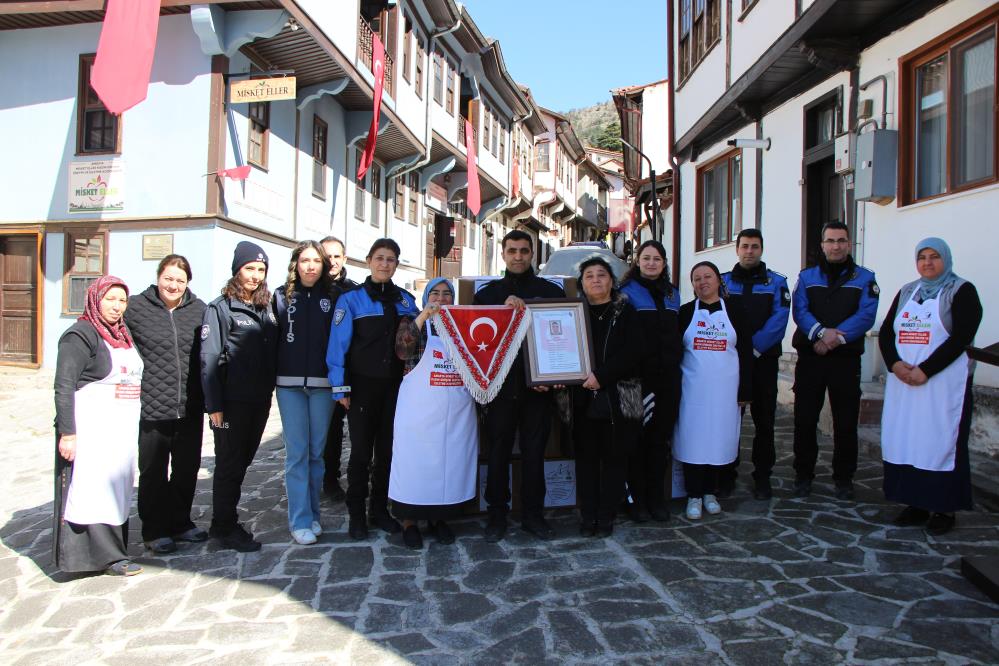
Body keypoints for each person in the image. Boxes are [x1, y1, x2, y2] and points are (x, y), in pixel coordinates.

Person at [879, 238, 982, 535]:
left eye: (934, 256)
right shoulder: (908, 291)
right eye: (922, 257)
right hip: (904, 384)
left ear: (946, 259)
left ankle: (943, 508)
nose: (927, 262)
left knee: (940, 442)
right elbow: (887, 332)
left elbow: (961, 336)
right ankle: (915, 503)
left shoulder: (962, 291)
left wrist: (926, 370)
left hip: (942, 386)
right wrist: (895, 365)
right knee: (909, 441)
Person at [473, 229, 565, 542]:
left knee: (534, 452)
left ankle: (533, 515)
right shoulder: (487, 295)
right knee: (497, 451)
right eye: (512, 250)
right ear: (503, 253)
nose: (518, 256)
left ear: (532, 254)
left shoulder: (550, 291)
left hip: (537, 389)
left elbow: (559, 340)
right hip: (499, 389)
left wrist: (550, 378)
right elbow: (477, 343)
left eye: (524, 251)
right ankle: (496, 515)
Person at [326, 238, 419, 540]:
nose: (384, 264)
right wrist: (340, 389)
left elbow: (421, 339)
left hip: (396, 389)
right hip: (362, 387)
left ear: (396, 264)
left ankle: (379, 510)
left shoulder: (405, 301)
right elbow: (337, 347)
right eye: (379, 258)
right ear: (368, 261)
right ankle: (357, 515)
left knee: (388, 453)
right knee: (361, 453)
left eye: (391, 259)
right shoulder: (351, 300)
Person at [53, 276, 144, 576]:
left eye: (122, 301)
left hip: (120, 431)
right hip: (93, 430)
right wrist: (68, 432)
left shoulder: (121, 333)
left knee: (116, 490)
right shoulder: (80, 336)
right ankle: (105, 558)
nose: (117, 307)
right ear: (95, 299)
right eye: (110, 299)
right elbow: (64, 385)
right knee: (93, 492)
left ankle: (115, 551)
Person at [125, 255, 208, 555]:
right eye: (168, 278)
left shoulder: (199, 310)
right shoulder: (135, 308)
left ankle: (180, 523)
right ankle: (154, 529)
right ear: (158, 277)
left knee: (187, 468)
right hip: (151, 406)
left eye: (180, 280)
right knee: (153, 471)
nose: (173, 285)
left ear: (188, 282)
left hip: (189, 406)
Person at [791, 221, 878, 500]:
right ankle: (803, 475)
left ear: (849, 244)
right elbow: (800, 310)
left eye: (841, 240)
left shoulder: (865, 278)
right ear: (822, 245)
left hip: (845, 359)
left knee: (845, 421)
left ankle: (844, 478)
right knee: (804, 420)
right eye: (830, 241)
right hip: (811, 357)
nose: (836, 246)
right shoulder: (807, 277)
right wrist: (819, 333)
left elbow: (866, 315)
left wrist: (834, 339)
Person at [389, 278, 477, 549]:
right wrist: (425, 314)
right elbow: (402, 349)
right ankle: (409, 522)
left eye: (447, 294)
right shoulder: (412, 321)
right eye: (435, 293)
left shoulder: (462, 326)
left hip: (455, 411)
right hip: (419, 411)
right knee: (415, 466)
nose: (441, 298)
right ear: (426, 296)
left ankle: (439, 519)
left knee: (448, 466)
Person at [201, 241, 277, 552]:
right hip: (231, 404)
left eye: (261, 270)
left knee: (242, 462)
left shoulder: (265, 308)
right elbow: (208, 359)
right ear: (237, 270)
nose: (255, 275)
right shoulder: (220, 308)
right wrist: (214, 405)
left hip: (258, 401)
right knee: (229, 464)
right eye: (250, 268)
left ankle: (224, 520)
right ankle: (223, 527)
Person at [674, 262, 753, 520]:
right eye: (696, 278)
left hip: (725, 392)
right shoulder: (685, 313)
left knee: (718, 441)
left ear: (719, 280)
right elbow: (676, 353)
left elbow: (745, 353)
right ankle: (693, 496)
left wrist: (745, 390)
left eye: (707, 276)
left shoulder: (737, 311)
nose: (702, 282)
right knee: (693, 441)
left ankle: (711, 492)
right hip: (693, 392)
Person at [571, 258, 643, 537]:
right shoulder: (572, 314)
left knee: (615, 459)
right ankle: (588, 516)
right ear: (582, 284)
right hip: (581, 398)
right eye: (589, 276)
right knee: (586, 460)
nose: (596, 280)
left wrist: (602, 375)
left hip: (618, 398)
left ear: (612, 282)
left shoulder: (626, 312)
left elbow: (634, 351)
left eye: (602, 275)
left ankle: (607, 516)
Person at [720, 229, 791, 500]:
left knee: (765, 422)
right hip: (732, 364)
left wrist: (754, 350)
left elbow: (780, 318)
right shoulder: (724, 282)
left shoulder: (776, 282)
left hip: (763, 362)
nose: (750, 251)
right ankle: (727, 473)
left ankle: (763, 477)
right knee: (730, 421)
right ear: (737, 249)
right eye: (745, 246)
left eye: (755, 246)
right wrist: (738, 352)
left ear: (762, 250)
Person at [273, 241, 335, 545]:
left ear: (324, 265)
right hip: (289, 385)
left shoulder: (333, 297)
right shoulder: (280, 296)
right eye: (304, 260)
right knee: (296, 453)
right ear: (295, 264)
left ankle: (313, 515)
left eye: (316, 261)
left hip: (323, 386)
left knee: (316, 454)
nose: (310, 266)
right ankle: (298, 520)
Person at [619, 240, 681, 522]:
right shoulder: (625, 293)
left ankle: (656, 498)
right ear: (637, 261)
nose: (652, 263)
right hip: (635, 383)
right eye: (646, 258)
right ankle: (635, 500)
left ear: (664, 263)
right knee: (635, 442)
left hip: (667, 380)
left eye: (657, 259)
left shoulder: (673, 294)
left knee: (660, 441)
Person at [320, 236, 358, 501]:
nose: (332, 261)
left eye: (337, 256)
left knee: (344, 428)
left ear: (344, 259)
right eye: (327, 256)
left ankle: (341, 479)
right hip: (317, 370)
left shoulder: (353, 291)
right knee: (325, 429)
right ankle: (325, 478)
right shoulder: (308, 287)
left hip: (348, 370)